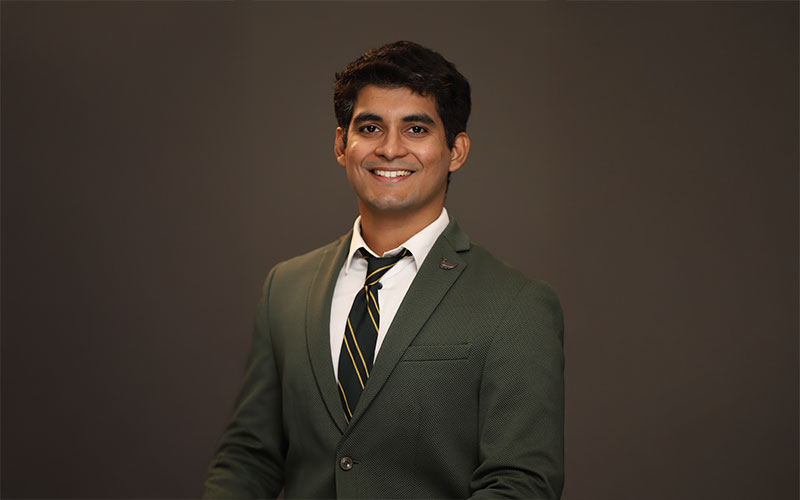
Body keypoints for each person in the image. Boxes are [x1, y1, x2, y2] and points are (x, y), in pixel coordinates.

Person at [203, 40, 564, 499]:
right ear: (341, 144)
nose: (390, 149)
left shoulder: (517, 304)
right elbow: (249, 456)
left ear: (456, 150)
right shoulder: (285, 287)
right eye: (370, 127)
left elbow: (520, 484)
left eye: (416, 129)